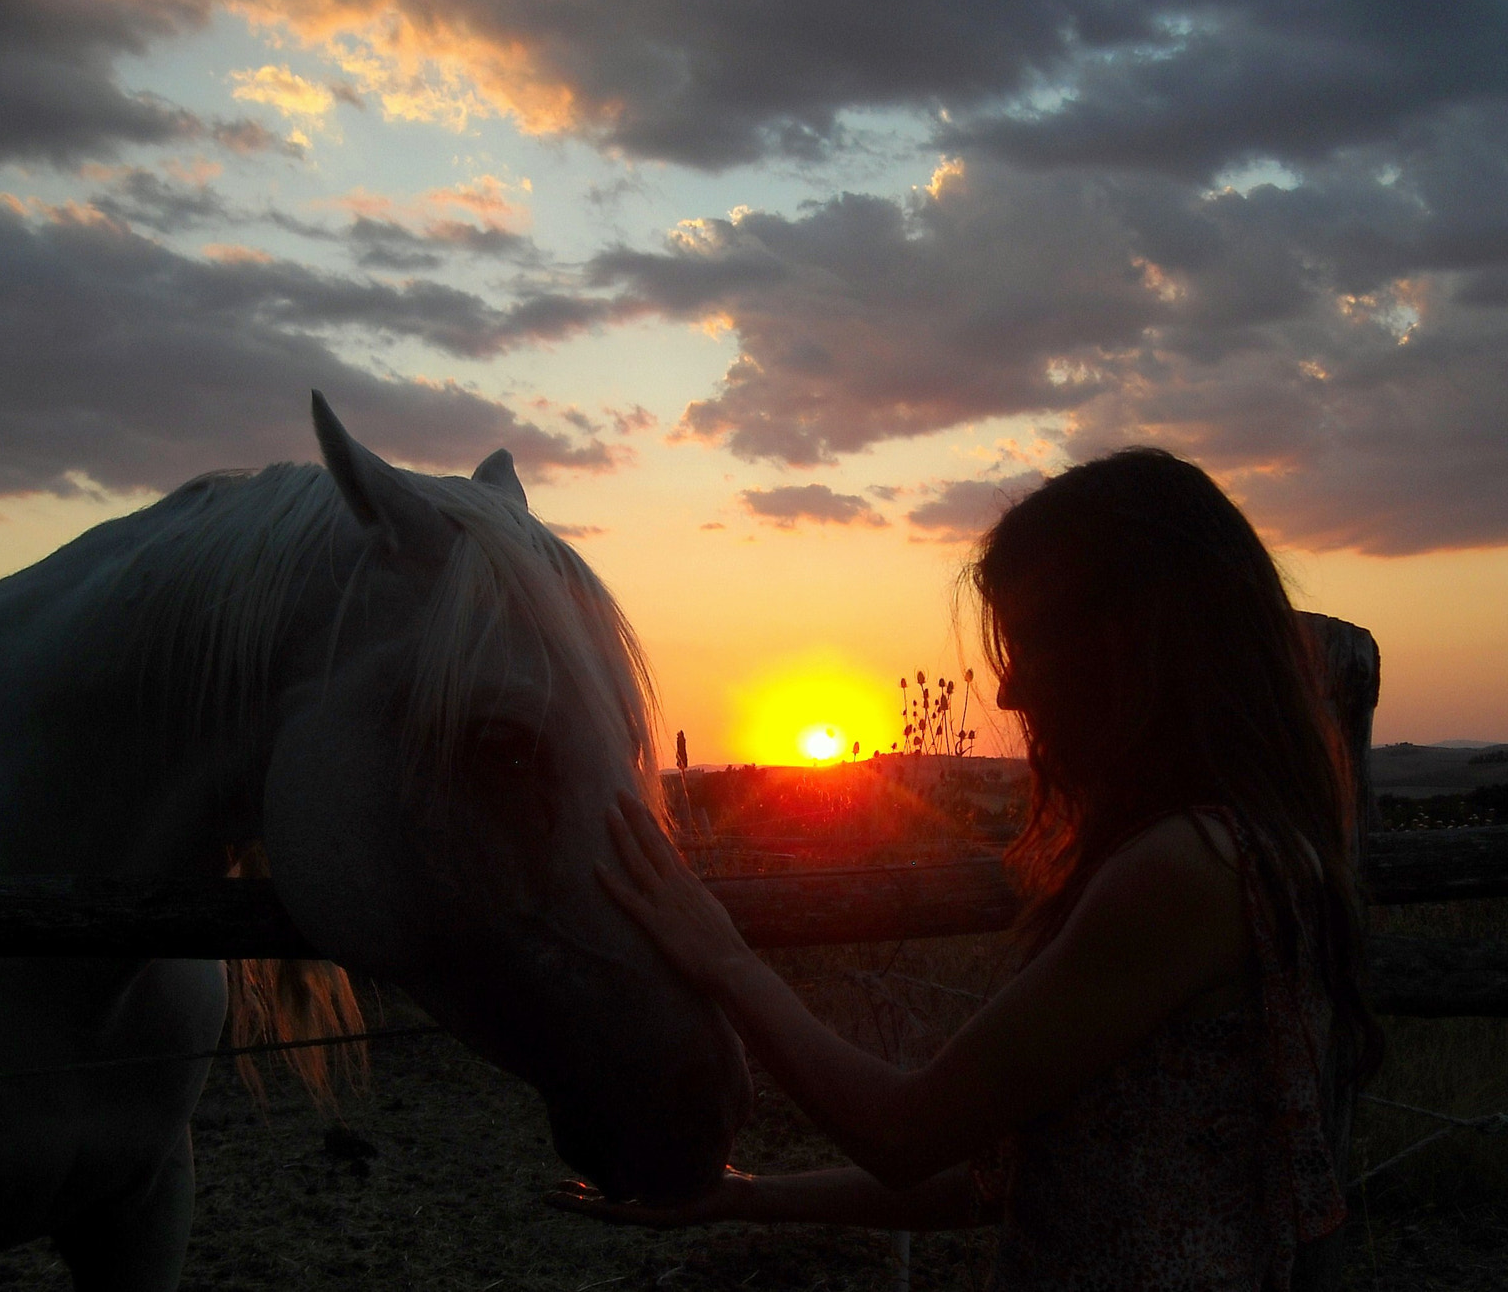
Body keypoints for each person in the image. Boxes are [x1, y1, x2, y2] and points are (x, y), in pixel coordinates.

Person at [552, 449, 1380, 1291]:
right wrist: (741, 1198)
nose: (1014, 695)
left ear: (1120, 646)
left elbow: (907, 1136)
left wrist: (721, 955)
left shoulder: (1187, 872)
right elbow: (1003, 1178)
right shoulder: (1259, 852)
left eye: (1027, 646)